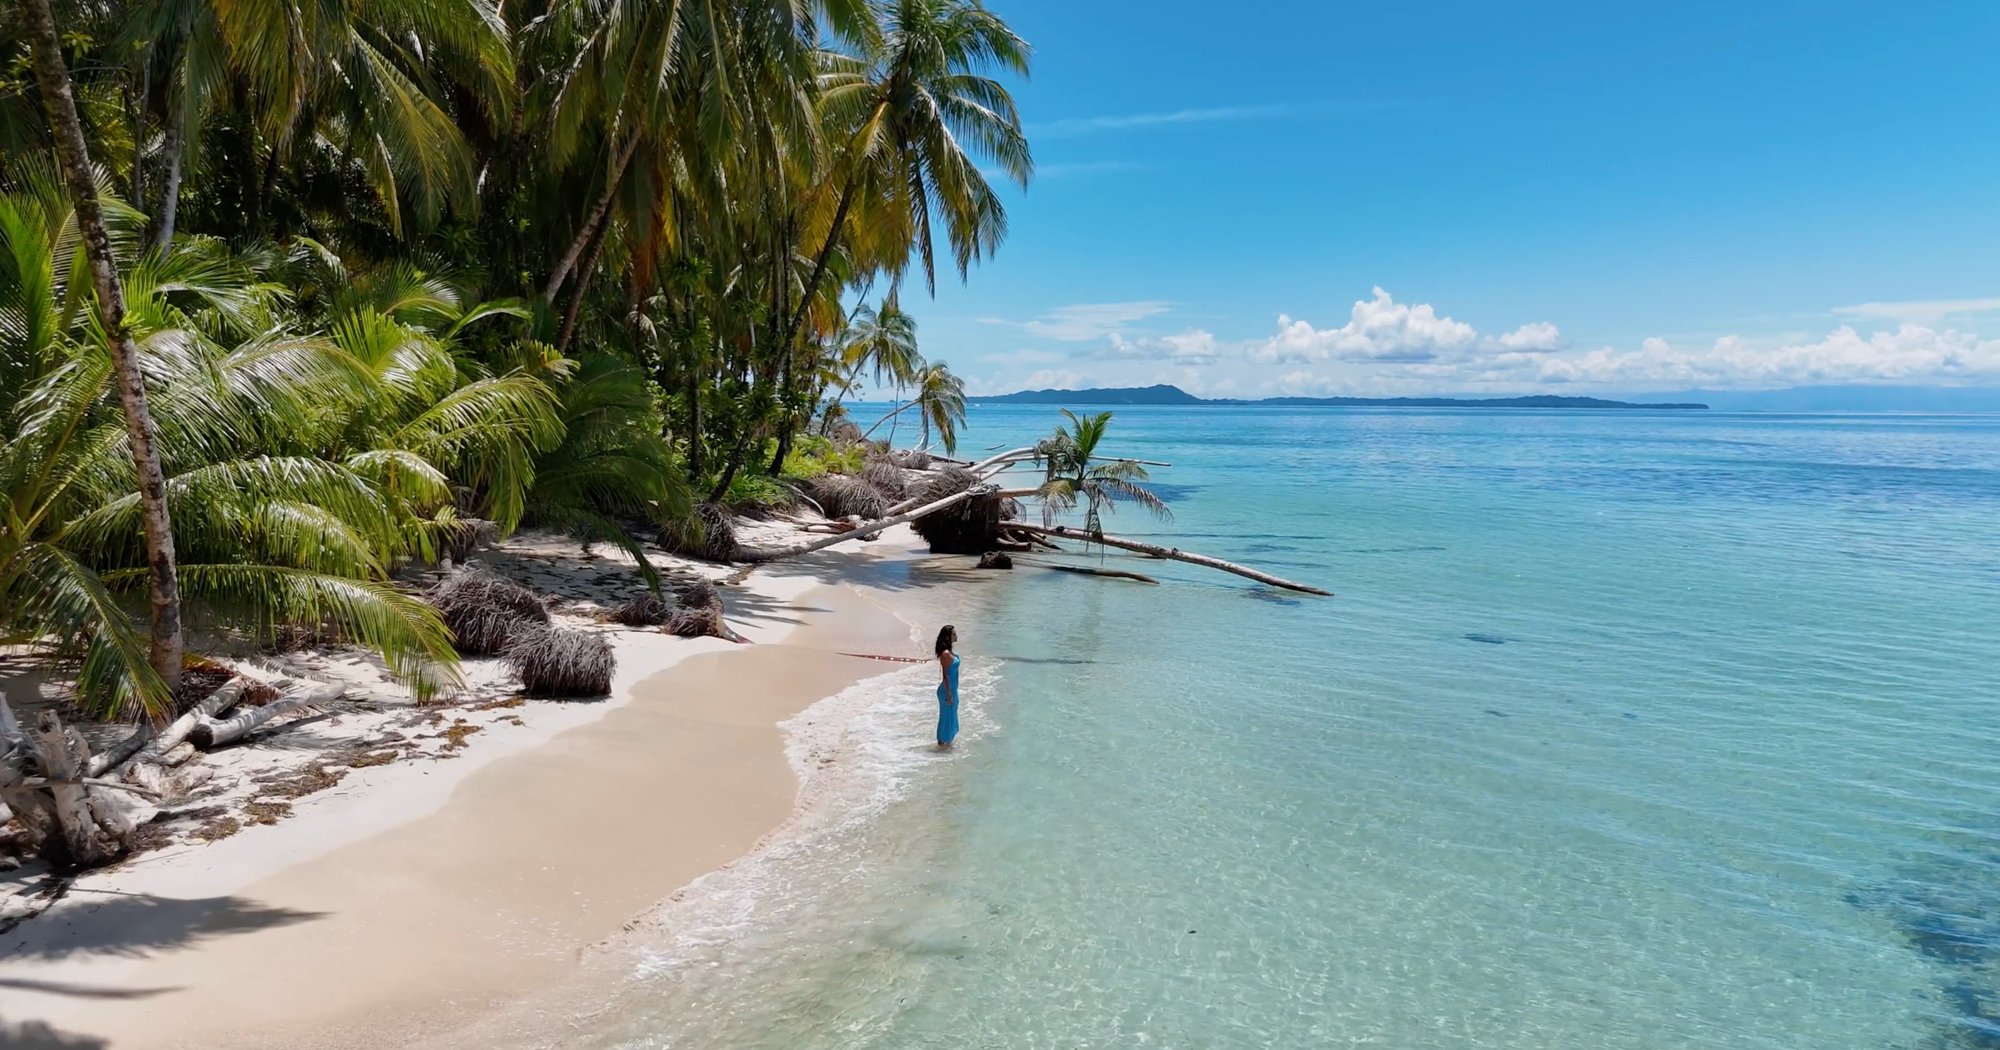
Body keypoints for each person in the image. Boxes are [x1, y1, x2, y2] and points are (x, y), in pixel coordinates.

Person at [935, 625, 960, 750]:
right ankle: (942, 745)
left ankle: (946, 744)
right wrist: (949, 693)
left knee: (950, 717)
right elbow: (945, 675)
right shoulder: (945, 653)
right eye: (954, 634)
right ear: (948, 636)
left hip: (952, 690)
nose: (956, 636)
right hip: (947, 691)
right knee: (946, 718)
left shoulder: (949, 652)